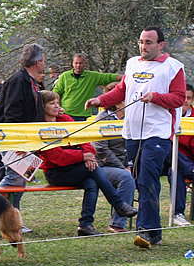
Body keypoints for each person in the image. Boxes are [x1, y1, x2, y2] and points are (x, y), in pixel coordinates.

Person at [86, 26, 186, 248]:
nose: (143, 46)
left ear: (161, 45)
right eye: (141, 41)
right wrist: (99, 101)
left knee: (147, 179)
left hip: (158, 134)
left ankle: (146, 231)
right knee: (140, 180)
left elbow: (179, 98)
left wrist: (156, 97)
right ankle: (155, 231)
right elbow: (121, 91)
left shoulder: (173, 67)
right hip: (132, 133)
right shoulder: (132, 63)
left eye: (149, 42)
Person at [38, 91, 137, 236]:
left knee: (92, 182)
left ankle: (85, 224)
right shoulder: (39, 126)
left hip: (78, 167)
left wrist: (88, 156)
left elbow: (84, 141)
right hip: (56, 172)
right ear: (42, 106)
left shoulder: (65, 119)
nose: (56, 106)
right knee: (93, 170)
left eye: (58, 103)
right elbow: (57, 156)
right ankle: (118, 204)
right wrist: (83, 157)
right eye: (52, 103)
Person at [0, 44, 46, 229]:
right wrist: (17, 141)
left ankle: (10, 219)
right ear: (38, 62)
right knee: (14, 179)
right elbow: (11, 114)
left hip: (27, 140)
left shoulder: (32, 81)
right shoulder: (18, 80)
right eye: (44, 60)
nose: (44, 64)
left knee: (21, 179)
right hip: (14, 139)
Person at [92, 82, 136, 232]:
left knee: (147, 175)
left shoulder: (130, 118)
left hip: (125, 164)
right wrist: (123, 167)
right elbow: (101, 149)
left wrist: (130, 164)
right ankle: (117, 224)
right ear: (117, 103)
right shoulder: (102, 118)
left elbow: (131, 145)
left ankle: (145, 220)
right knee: (125, 177)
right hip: (102, 166)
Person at [54, 54, 122, 121]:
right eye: (76, 63)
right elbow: (56, 93)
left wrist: (127, 77)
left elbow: (109, 77)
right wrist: (58, 108)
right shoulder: (65, 76)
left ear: (85, 64)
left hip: (83, 115)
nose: (78, 65)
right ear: (72, 63)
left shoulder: (92, 76)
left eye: (81, 63)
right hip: (66, 113)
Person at [169, 83, 194, 226]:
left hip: (182, 162)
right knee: (167, 146)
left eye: (189, 98)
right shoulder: (167, 113)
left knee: (176, 170)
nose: (185, 101)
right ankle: (189, 168)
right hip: (163, 159)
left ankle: (177, 214)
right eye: (183, 97)